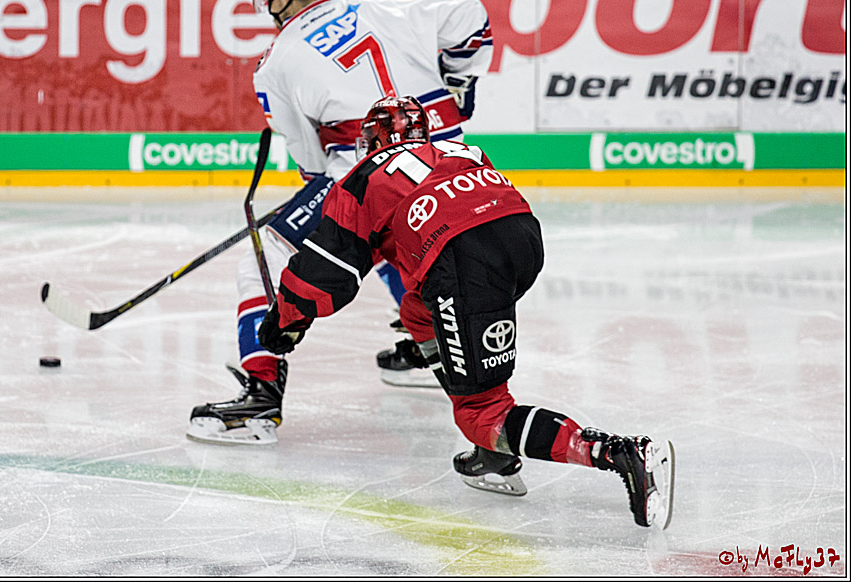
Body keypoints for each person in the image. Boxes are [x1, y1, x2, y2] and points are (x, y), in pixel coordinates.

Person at [254, 96, 676, 529]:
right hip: (523, 238)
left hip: (467, 261)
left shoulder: (362, 178)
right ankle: (487, 432)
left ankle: (617, 452)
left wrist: (284, 325)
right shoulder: (460, 150)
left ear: (371, 139)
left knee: (481, 412)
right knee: (417, 310)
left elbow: (324, 275)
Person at [187, 0, 493, 445]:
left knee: (264, 260)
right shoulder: (386, 6)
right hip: (453, 166)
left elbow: (313, 167)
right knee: (402, 245)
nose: (267, 3)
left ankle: (261, 396)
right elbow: (470, 13)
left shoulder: (275, 62)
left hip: (371, 180)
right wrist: (461, 82)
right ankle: (428, 347)